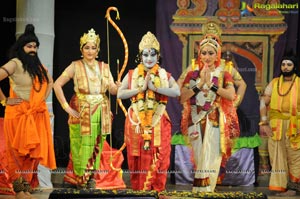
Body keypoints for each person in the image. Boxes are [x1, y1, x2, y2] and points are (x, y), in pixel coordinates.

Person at [53, 28, 121, 189]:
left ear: (98, 50)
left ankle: (90, 176)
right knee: (80, 144)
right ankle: (80, 177)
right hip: (82, 109)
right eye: (87, 47)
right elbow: (57, 85)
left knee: (97, 143)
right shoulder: (75, 65)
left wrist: (118, 87)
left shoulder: (104, 67)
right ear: (81, 50)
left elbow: (111, 89)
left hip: (101, 110)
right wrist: (66, 107)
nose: (90, 51)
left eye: (93, 47)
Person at [117, 31, 180, 192]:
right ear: (140, 56)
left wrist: (156, 88)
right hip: (137, 122)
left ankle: (157, 191)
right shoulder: (132, 74)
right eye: (145, 55)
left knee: (160, 156)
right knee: (136, 156)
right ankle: (139, 191)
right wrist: (141, 89)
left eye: (153, 55)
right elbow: (120, 94)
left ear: (158, 56)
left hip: (158, 121)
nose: (149, 58)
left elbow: (177, 92)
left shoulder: (164, 74)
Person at [0, 24, 56, 199]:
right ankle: (18, 190)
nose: (33, 49)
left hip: (35, 116)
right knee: (16, 154)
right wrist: (3, 100)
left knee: (31, 156)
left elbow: (50, 82)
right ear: (21, 48)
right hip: (17, 115)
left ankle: (25, 187)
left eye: (35, 46)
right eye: (29, 46)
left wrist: (41, 102)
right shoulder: (15, 63)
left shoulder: (38, 67)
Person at [179, 33, 240, 192]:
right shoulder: (192, 74)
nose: (207, 57)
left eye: (211, 53)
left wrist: (212, 86)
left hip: (214, 119)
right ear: (199, 54)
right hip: (195, 120)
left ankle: (206, 191)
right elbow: (182, 97)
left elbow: (231, 95)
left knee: (212, 156)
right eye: (203, 53)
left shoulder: (223, 73)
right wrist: (199, 85)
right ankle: (201, 190)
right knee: (200, 158)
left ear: (217, 54)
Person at [259, 51, 300, 196]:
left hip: (295, 125)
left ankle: (294, 188)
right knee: (277, 155)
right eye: (283, 64)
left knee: (295, 155)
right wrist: (264, 123)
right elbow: (263, 101)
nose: (285, 67)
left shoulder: (299, 83)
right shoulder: (274, 83)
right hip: (276, 125)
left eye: (289, 64)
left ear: (294, 67)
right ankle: (280, 186)